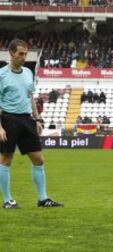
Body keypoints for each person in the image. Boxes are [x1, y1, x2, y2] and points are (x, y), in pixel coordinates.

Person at [0, 39, 63, 209]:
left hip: (26, 119)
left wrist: (37, 119)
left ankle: (43, 199)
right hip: (8, 119)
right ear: (11, 53)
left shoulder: (28, 72)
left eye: (26, 54)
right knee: (6, 159)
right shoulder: (2, 74)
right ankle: (7, 200)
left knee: (38, 159)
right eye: (20, 54)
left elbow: (31, 98)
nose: (23, 57)